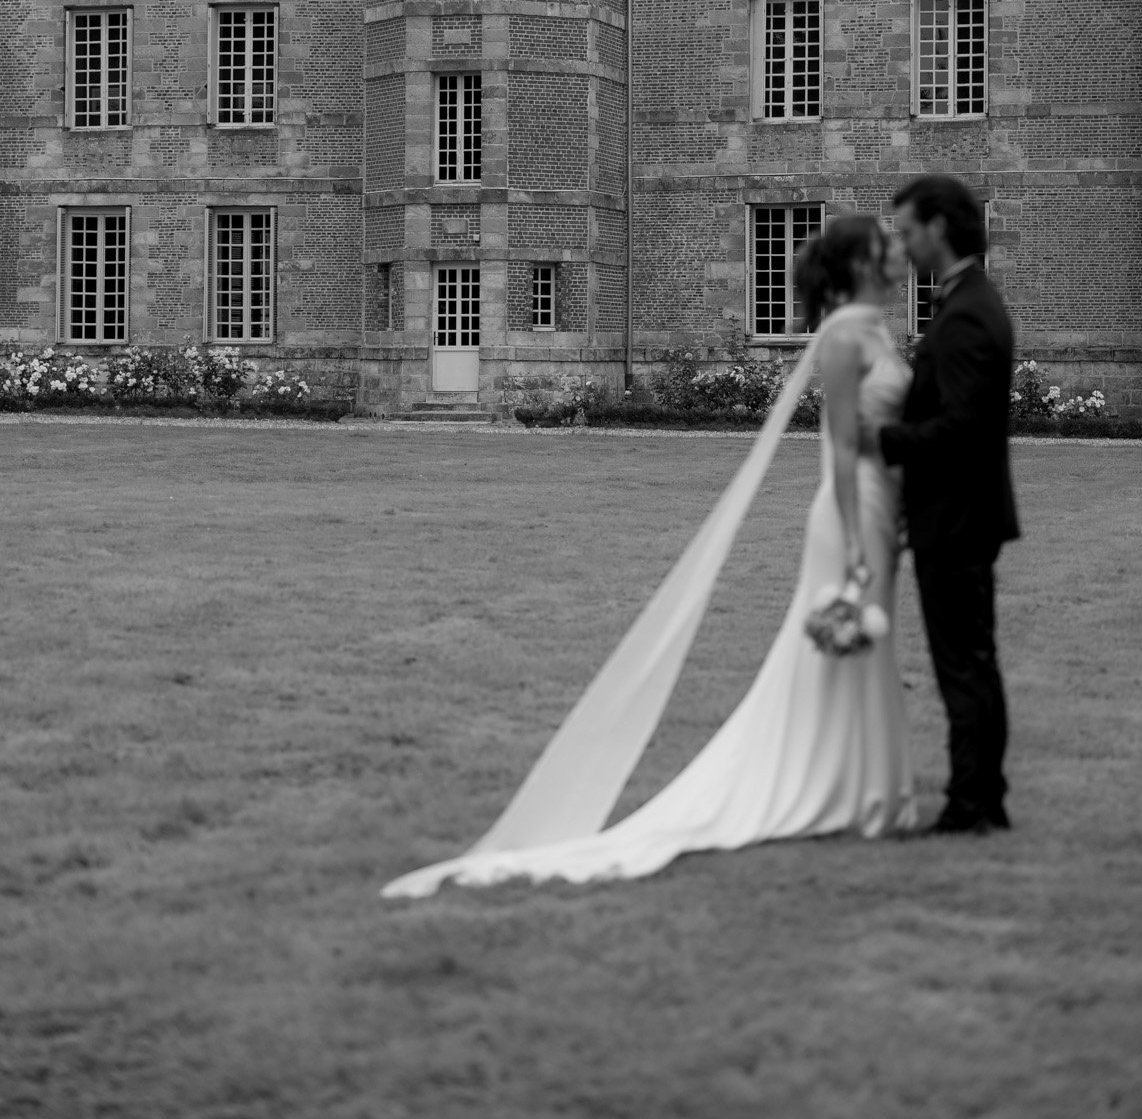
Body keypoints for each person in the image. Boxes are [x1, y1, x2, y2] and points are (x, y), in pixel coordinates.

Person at [383, 214, 916, 896]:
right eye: (884, 246)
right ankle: (851, 792)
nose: (897, 253)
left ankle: (863, 785)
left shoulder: (876, 329)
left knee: (875, 642)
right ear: (861, 264)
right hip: (851, 509)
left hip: (883, 503)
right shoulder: (844, 334)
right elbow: (839, 446)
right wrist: (851, 535)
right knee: (847, 641)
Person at [880, 174, 1020, 836]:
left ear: (938, 227)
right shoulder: (968, 299)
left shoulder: (965, 312)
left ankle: (972, 804)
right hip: (962, 514)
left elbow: (961, 427)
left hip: (956, 516)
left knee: (961, 664)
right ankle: (982, 795)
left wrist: (883, 439)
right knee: (972, 660)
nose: (902, 245)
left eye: (907, 231)